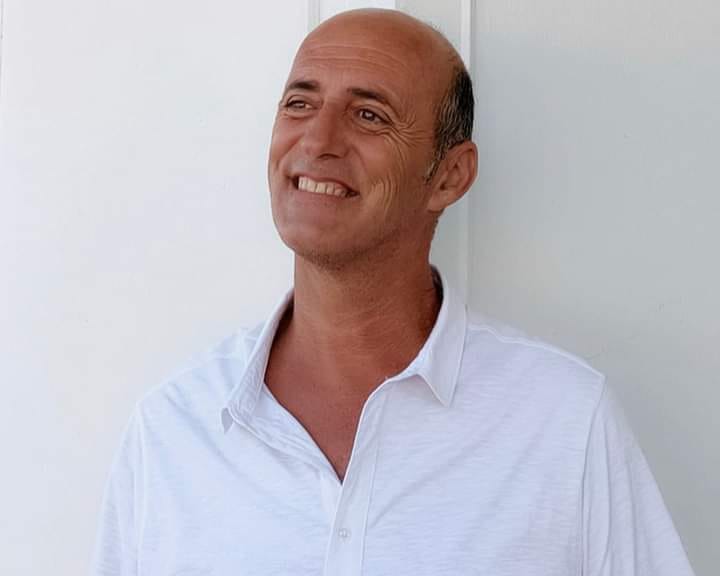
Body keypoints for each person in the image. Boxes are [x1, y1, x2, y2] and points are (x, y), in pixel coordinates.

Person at [92, 8, 696, 576]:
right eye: (299, 103)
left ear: (450, 176)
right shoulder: (172, 431)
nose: (317, 141)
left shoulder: (564, 422)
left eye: (369, 115)